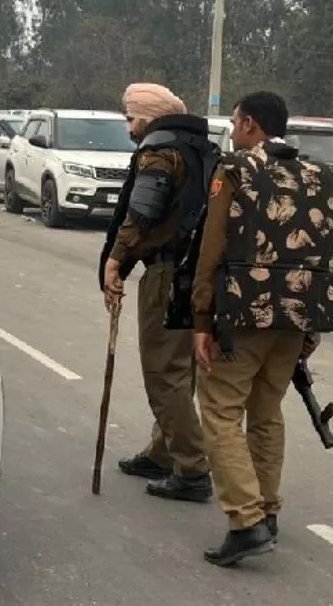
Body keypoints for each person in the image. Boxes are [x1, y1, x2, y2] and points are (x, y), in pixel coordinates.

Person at [189, 91, 333, 567]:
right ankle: (268, 510)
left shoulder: (235, 170)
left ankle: (246, 521)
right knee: (266, 410)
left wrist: (200, 319)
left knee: (219, 409)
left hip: (244, 311)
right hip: (299, 314)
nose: (234, 131)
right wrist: (315, 323)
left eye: (236, 122)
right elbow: (325, 247)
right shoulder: (320, 174)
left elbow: (211, 248)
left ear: (252, 125)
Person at [99, 83, 217, 503]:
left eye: (131, 118)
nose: (130, 127)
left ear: (148, 116)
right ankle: (163, 452)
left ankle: (191, 467)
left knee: (165, 375)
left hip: (168, 273)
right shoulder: (201, 149)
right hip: (199, 271)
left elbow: (142, 212)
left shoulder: (160, 152)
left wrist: (116, 260)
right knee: (180, 371)